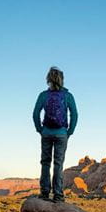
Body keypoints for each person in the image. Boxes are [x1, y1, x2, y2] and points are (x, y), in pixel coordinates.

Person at [33, 66, 78, 202]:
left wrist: (40, 129)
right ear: (62, 80)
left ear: (48, 79)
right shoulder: (68, 96)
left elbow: (35, 113)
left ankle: (45, 193)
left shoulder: (43, 95)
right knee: (58, 164)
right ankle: (58, 195)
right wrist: (69, 131)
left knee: (45, 163)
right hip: (61, 134)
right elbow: (74, 114)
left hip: (46, 132)